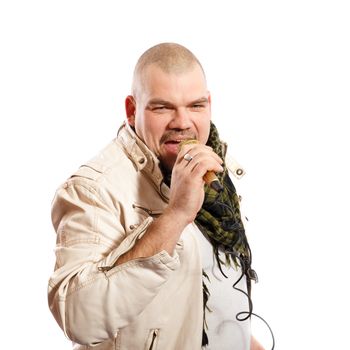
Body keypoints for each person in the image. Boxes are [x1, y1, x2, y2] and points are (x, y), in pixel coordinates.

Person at [48, 42, 265, 350]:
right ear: (132, 110)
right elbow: (79, 318)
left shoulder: (213, 169)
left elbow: (206, 293)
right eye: (162, 107)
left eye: (195, 105)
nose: (182, 122)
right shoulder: (93, 189)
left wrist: (242, 341)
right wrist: (176, 215)